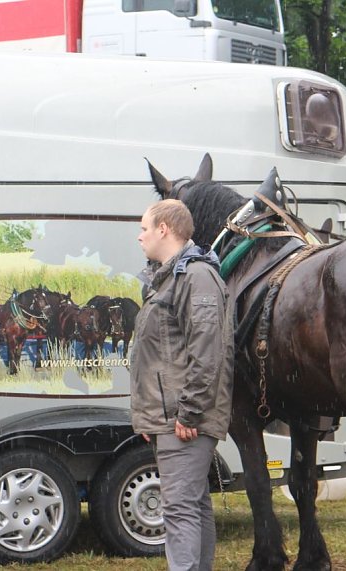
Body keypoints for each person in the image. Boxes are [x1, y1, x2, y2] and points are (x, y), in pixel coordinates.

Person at [129, 199, 234, 571]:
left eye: (144, 227)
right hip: (170, 415)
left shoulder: (196, 277)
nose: (139, 235)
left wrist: (188, 411)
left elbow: (207, 351)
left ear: (164, 229)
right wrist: (150, 417)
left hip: (185, 417)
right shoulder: (170, 278)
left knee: (179, 508)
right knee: (193, 503)